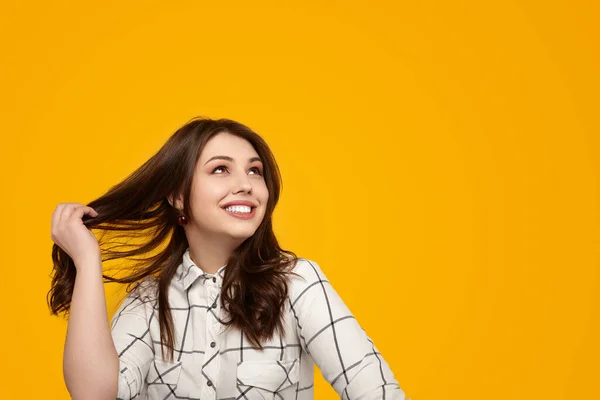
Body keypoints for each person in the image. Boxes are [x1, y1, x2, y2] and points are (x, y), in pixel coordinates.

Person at [48, 117, 411, 400]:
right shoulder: (147, 302)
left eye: (255, 170)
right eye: (221, 169)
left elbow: (377, 391)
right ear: (177, 195)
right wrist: (87, 260)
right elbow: (94, 395)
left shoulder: (298, 284)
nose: (247, 184)